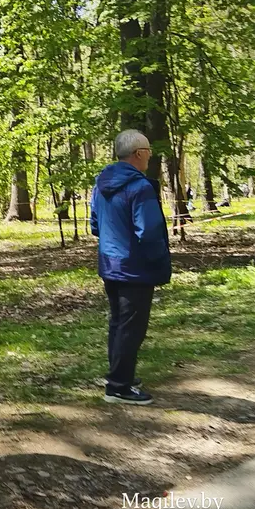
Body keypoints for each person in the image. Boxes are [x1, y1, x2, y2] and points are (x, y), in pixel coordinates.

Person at [90, 130, 171, 406]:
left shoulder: (100, 183)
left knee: (119, 324)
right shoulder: (140, 187)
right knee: (131, 328)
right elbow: (148, 231)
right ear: (138, 154)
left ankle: (119, 375)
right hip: (135, 269)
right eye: (148, 150)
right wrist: (158, 260)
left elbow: (95, 225)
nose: (150, 155)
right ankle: (119, 387)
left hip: (110, 264)